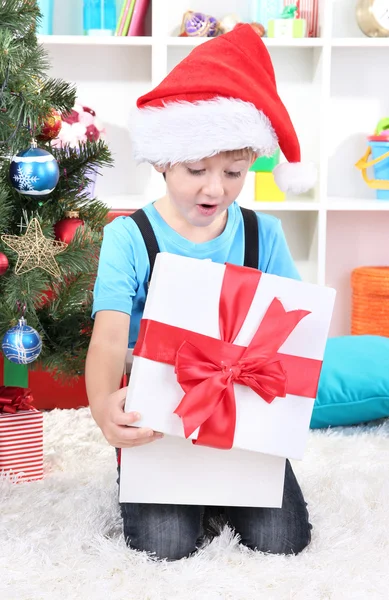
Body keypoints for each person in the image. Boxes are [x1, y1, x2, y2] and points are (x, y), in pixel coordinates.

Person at [85, 23, 316, 561]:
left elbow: (298, 335)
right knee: (167, 547)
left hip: (245, 430)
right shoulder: (129, 237)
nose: (215, 188)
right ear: (163, 160)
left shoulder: (265, 235)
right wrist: (102, 409)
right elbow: (108, 336)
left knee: (283, 542)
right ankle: (187, 499)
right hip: (161, 428)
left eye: (234, 172)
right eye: (196, 170)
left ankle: (222, 495)